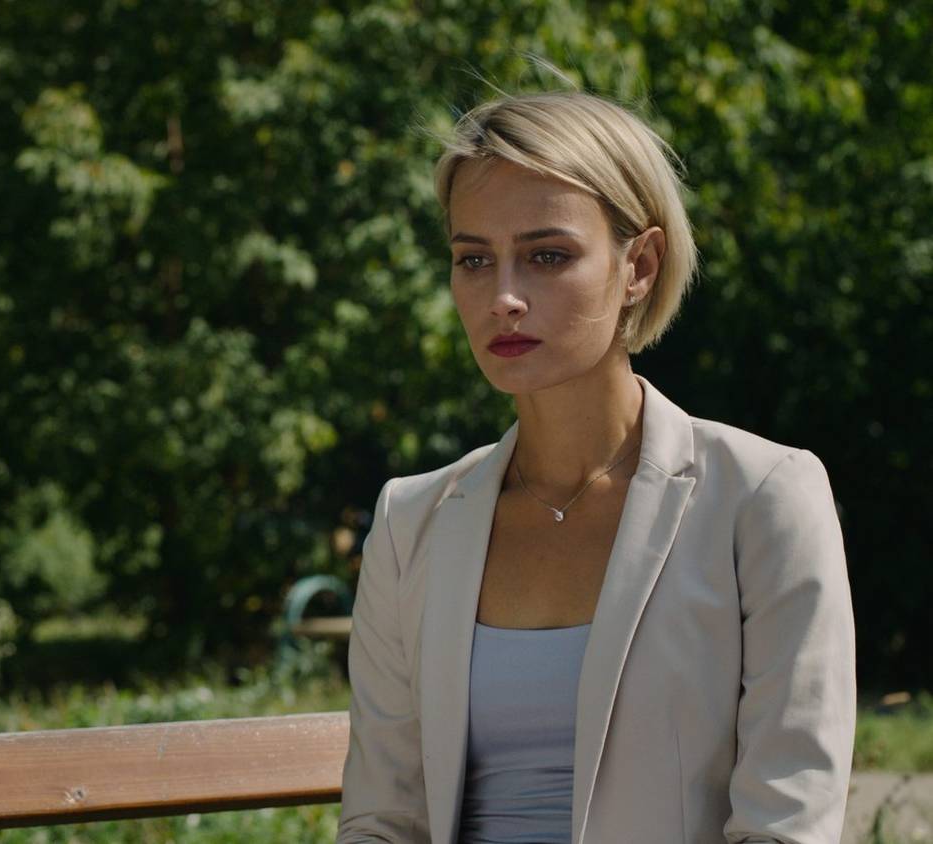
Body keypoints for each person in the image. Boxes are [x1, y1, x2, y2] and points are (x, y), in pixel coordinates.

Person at [336, 91, 856, 844]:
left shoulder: (764, 500)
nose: (503, 297)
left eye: (547, 256)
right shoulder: (409, 522)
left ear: (639, 265)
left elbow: (787, 825)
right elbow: (382, 822)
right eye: (474, 259)